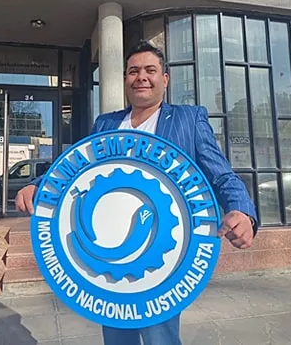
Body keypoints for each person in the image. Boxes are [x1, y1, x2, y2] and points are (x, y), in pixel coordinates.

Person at [16, 40, 258, 345]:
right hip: (109, 255)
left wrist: (242, 211)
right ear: (125, 80)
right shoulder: (106, 123)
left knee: (161, 340)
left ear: (165, 79)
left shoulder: (188, 119)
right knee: (117, 339)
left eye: (150, 70)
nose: (141, 77)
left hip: (163, 259)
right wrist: (37, 185)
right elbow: (76, 167)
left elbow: (221, 175)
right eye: (133, 71)